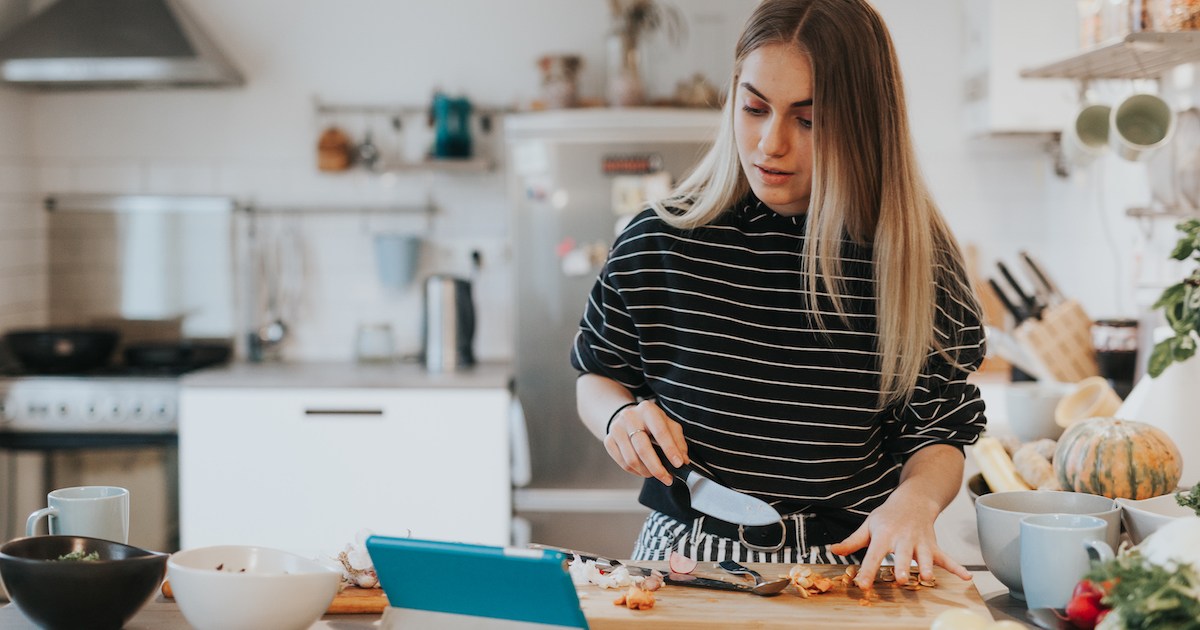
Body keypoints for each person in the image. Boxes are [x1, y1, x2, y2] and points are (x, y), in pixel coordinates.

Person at [570, 0, 987, 590]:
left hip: (851, 561)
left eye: (808, 119)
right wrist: (617, 416)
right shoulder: (662, 239)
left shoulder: (916, 262)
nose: (770, 143)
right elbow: (596, 372)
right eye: (755, 108)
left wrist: (916, 502)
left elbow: (939, 433)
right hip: (687, 556)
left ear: (866, 122)